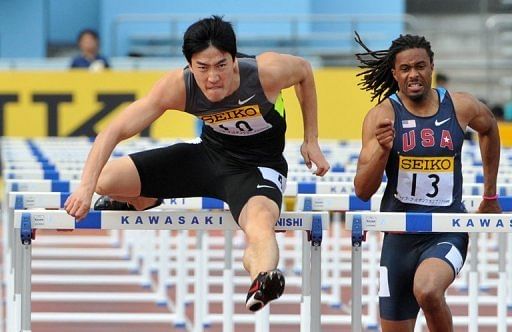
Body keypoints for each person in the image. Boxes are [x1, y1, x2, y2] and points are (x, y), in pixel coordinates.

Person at [64, 15, 330, 312]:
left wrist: (311, 139)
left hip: (257, 169)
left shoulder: (265, 73)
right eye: (202, 68)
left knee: (259, 224)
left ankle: (263, 278)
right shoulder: (178, 86)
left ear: (234, 59)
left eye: (221, 66)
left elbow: (305, 71)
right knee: (106, 180)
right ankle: (144, 199)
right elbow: (113, 131)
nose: (213, 77)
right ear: (190, 66)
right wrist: (85, 189)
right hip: (208, 158)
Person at [353, 32, 501, 332]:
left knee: (428, 290)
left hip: (445, 231)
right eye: (405, 69)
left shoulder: (460, 106)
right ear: (394, 74)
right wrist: (382, 151)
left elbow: (489, 129)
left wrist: (489, 195)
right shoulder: (382, 116)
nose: (414, 75)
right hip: (397, 237)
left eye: (420, 66)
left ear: (432, 66)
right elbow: (362, 190)